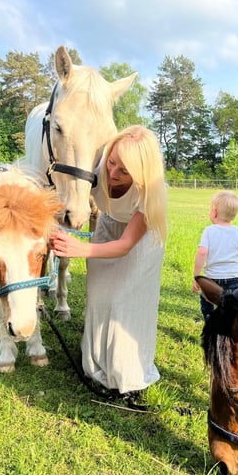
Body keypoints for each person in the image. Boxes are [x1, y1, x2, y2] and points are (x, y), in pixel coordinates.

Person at [49, 125, 167, 403]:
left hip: (139, 244)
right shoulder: (98, 162)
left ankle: (127, 373)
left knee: (122, 302)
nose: (112, 174)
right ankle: (95, 364)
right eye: (112, 163)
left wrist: (81, 248)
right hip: (107, 227)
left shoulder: (150, 192)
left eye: (124, 171)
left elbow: (125, 245)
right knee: (100, 296)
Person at [192, 190, 238, 321]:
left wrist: (196, 276)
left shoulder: (209, 231)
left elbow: (202, 252)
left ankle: (210, 320)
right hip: (235, 278)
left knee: (207, 302)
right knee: (232, 305)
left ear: (214, 212)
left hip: (212, 279)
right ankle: (230, 324)